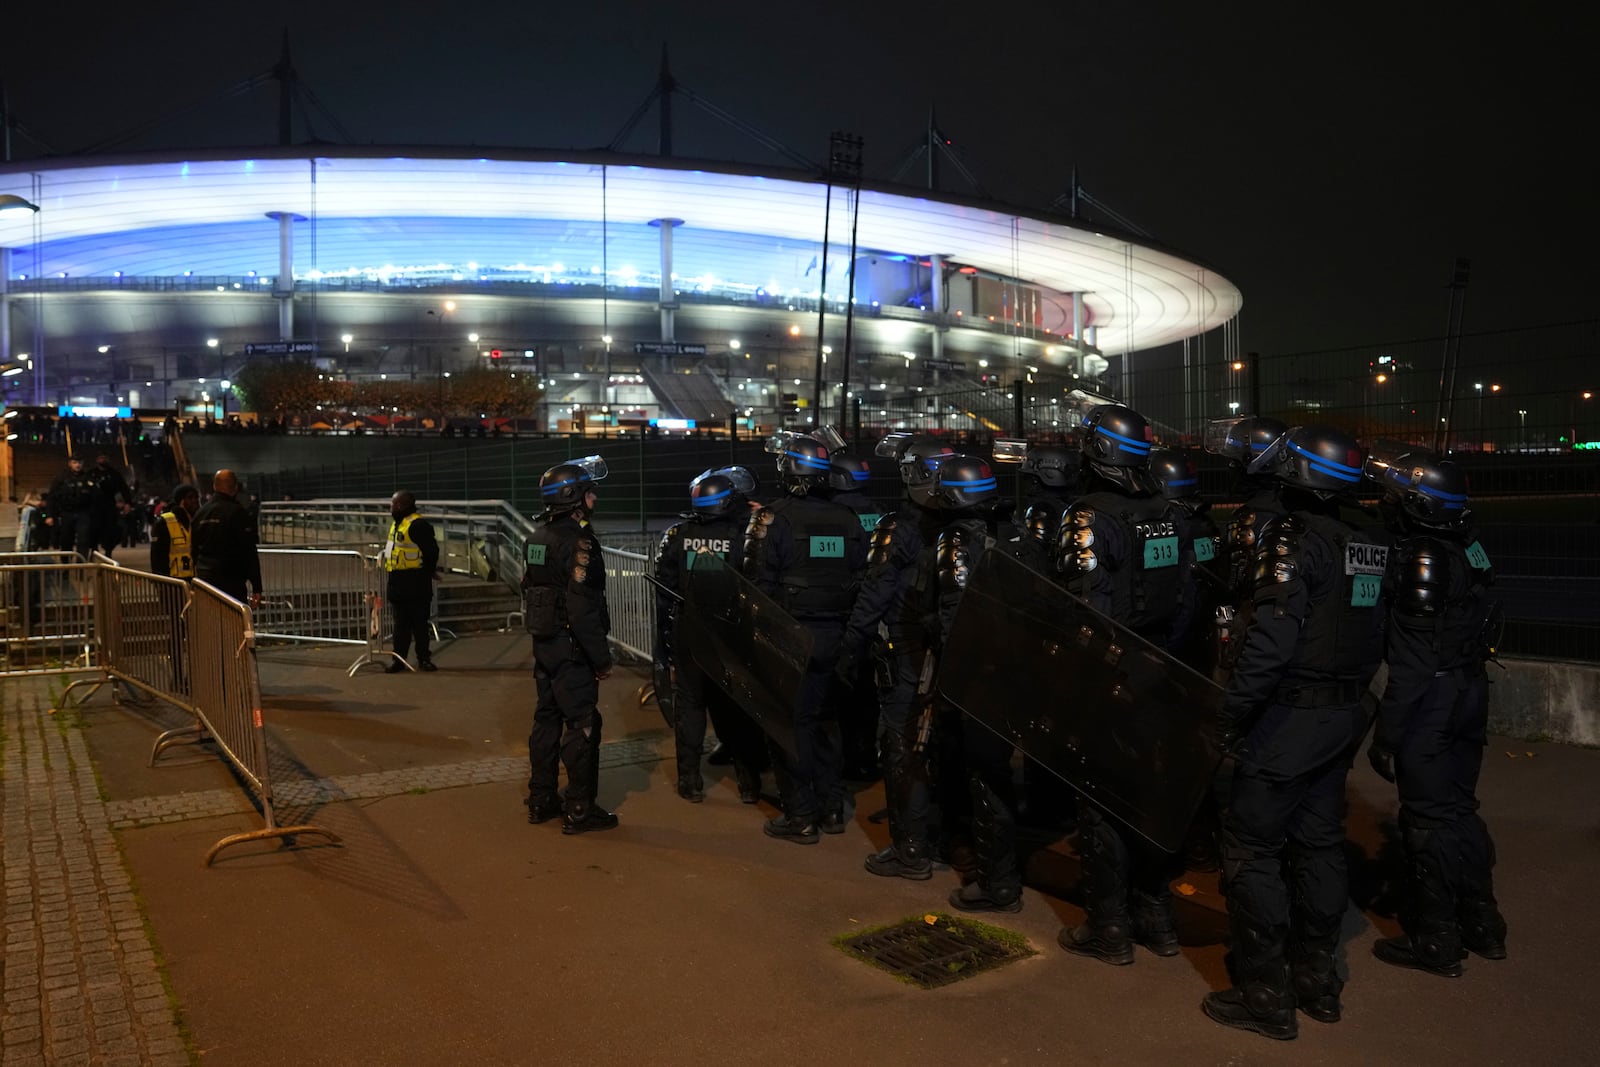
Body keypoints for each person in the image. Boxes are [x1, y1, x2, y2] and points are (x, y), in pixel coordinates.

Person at [1202, 425, 1384, 1041]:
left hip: (1287, 717)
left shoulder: (1290, 538)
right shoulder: (1368, 540)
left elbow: (1270, 644)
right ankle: (1317, 984)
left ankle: (1265, 996)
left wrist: (1229, 713)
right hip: (1343, 714)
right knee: (1319, 844)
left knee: (1251, 849)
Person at [1053, 403, 1194, 966]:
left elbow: (1087, 614)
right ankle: (1156, 919)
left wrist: (1083, 682)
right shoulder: (1168, 511)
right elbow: (1185, 600)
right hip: (1161, 670)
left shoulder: (1088, 516)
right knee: (1150, 795)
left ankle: (1109, 928)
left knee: (1101, 801)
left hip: (1112, 675)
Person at [1365, 450, 1507, 976]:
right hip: (1470, 689)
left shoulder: (1423, 556)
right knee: (1459, 809)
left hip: (1435, 701)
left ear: (1418, 507)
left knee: (1425, 820)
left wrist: (1387, 734)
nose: (1387, 503)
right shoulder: (1466, 547)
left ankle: (1437, 939)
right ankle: (1483, 924)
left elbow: (1415, 662)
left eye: (1397, 496)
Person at [743, 432, 868, 844]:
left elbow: (757, 585)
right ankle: (832, 808)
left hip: (790, 638)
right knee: (828, 722)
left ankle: (800, 815)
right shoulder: (849, 520)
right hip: (838, 637)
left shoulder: (772, 519)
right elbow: (858, 578)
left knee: (790, 724)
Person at [654, 465, 766, 804]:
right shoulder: (740, 535)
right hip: (730, 634)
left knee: (689, 705)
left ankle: (689, 781)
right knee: (737, 708)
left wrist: (664, 638)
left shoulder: (677, 535)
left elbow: (664, 586)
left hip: (689, 631)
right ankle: (749, 785)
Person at [522, 456, 617, 835]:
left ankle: (541, 799)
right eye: (589, 493)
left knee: (546, 720)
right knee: (582, 725)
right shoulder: (580, 542)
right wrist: (602, 659)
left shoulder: (536, 537)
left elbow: (528, 587)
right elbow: (582, 609)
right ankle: (580, 808)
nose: (593, 499)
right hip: (572, 647)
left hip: (544, 644)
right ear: (574, 497)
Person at [382, 490, 442, 673]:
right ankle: (399, 660)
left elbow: (432, 552)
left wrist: (429, 571)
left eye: (394, 505)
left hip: (416, 582)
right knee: (400, 625)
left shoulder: (418, 525)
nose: (392, 508)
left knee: (419, 624)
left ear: (403, 505)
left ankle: (423, 659)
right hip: (397, 582)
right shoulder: (397, 524)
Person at [190, 469, 263, 606]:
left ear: (214, 486)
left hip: (205, 580)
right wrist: (257, 586)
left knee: (210, 622)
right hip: (231, 581)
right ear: (235, 487)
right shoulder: (237, 512)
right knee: (234, 623)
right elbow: (248, 551)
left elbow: (193, 550)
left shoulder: (200, 513)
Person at [46, 456, 97, 557]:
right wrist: (50, 515)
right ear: (70, 464)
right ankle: (66, 566)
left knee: (83, 540)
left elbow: (95, 498)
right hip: (66, 513)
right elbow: (52, 497)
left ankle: (80, 565)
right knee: (66, 540)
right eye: (74, 462)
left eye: (79, 462)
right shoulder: (61, 478)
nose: (77, 465)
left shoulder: (88, 478)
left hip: (83, 513)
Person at [150, 484, 200, 579]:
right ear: (181, 501)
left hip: (194, 579)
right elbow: (157, 556)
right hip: (172, 580)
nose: (194, 500)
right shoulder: (164, 522)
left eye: (196, 497)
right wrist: (160, 581)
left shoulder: (196, 521)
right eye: (190, 497)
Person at [87, 453, 133, 555]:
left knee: (110, 530)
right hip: (94, 506)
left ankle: (108, 551)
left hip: (109, 505)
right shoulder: (91, 474)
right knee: (93, 529)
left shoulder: (114, 474)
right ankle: (94, 550)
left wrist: (127, 503)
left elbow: (124, 488)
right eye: (100, 457)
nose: (102, 459)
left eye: (104, 457)